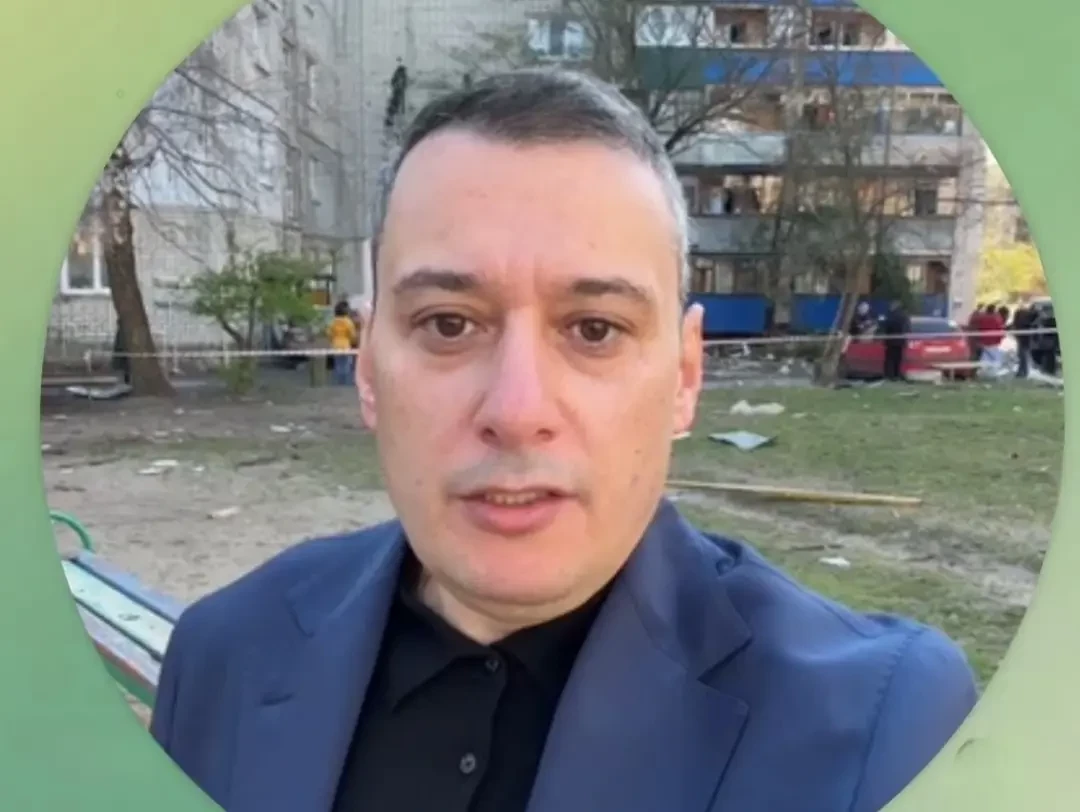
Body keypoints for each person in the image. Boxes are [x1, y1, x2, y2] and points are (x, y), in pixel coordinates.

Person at [149, 69, 976, 812]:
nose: (516, 410)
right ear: (367, 366)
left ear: (685, 377)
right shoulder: (225, 654)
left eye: (594, 329)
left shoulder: (882, 728)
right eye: (448, 324)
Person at [326, 300, 357, 385]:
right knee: (347, 364)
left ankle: (340, 382)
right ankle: (345, 383)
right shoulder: (348, 322)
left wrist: (333, 340)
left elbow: (329, 333)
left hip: (336, 345)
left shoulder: (333, 322)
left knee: (338, 365)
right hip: (346, 345)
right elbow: (352, 335)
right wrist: (352, 341)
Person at [880, 299, 910, 381]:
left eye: (892, 305)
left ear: (895, 306)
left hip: (891, 340)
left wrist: (882, 322)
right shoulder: (904, 315)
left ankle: (890, 375)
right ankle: (897, 374)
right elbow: (908, 328)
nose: (890, 307)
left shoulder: (891, 315)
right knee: (898, 359)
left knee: (890, 359)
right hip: (901, 341)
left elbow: (887, 326)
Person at [1009, 301, 1035, 379]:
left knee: (1022, 354)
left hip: (1023, 336)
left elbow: (1015, 323)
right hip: (1025, 336)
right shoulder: (1029, 314)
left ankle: (1023, 371)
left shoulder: (1021, 313)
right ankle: (1023, 371)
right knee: (1023, 354)